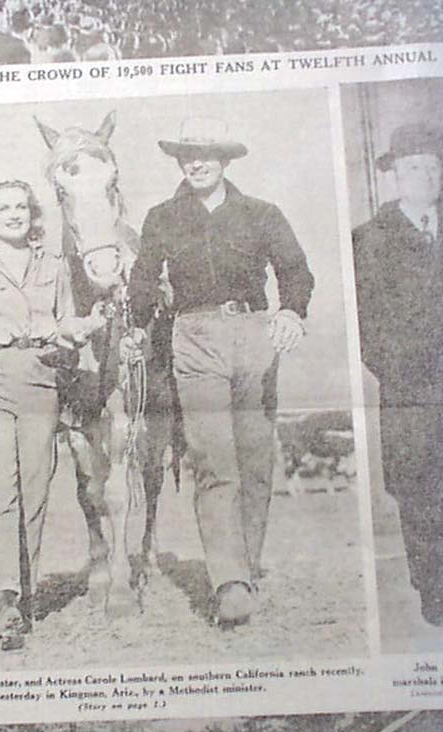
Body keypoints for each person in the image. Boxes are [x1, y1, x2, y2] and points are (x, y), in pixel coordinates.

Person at [127, 117, 314, 627]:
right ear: (179, 160)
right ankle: (229, 583)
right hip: (194, 339)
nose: (197, 161)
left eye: (207, 153)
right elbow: (142, 280)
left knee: (254, 462)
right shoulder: (162, 217)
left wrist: (291, 311)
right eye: (188, 153)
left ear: (226, 159)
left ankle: (246, 566)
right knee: (213, 459)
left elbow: (295, 271)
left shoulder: (262, 214)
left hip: (255, 336)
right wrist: (135, 323)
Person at [0, 179, 105, 650]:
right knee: (0, 491)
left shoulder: (54, 267)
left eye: (21, 207)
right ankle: (3, 597)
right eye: (3, 208)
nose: (13, 214)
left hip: (41, 378)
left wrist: (88, 326)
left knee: (35, 488)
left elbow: (67, 321)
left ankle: (24, 595)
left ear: (32, 216)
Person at [352, 123, 443, 627]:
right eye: (413, 168)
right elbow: (369, 329)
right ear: (393, 178)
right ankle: (434, 591)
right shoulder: (371, 240)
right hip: (413, 394)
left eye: (433, 167)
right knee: (423, 493)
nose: (425, 176)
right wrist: (411, 370)